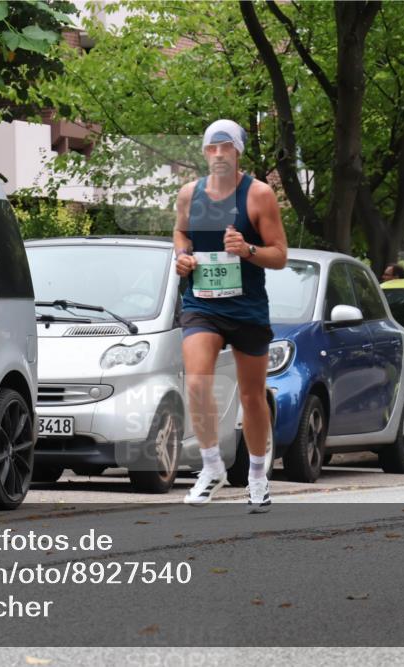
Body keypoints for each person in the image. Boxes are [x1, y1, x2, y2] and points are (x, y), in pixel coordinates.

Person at [174, 119, 288, 511]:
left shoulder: (258, 195)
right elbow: (181, 234)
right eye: (212, 147)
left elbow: (280, 255)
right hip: (202, 304)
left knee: (252, 396)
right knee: (196, 382)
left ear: (237, 151)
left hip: (247, 307)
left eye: (226, 146)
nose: (219, 153)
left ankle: (257, 475)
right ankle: (211, 467)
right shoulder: (190, 194)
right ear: (205, 153)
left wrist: (248, 251)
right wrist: (182, 258)